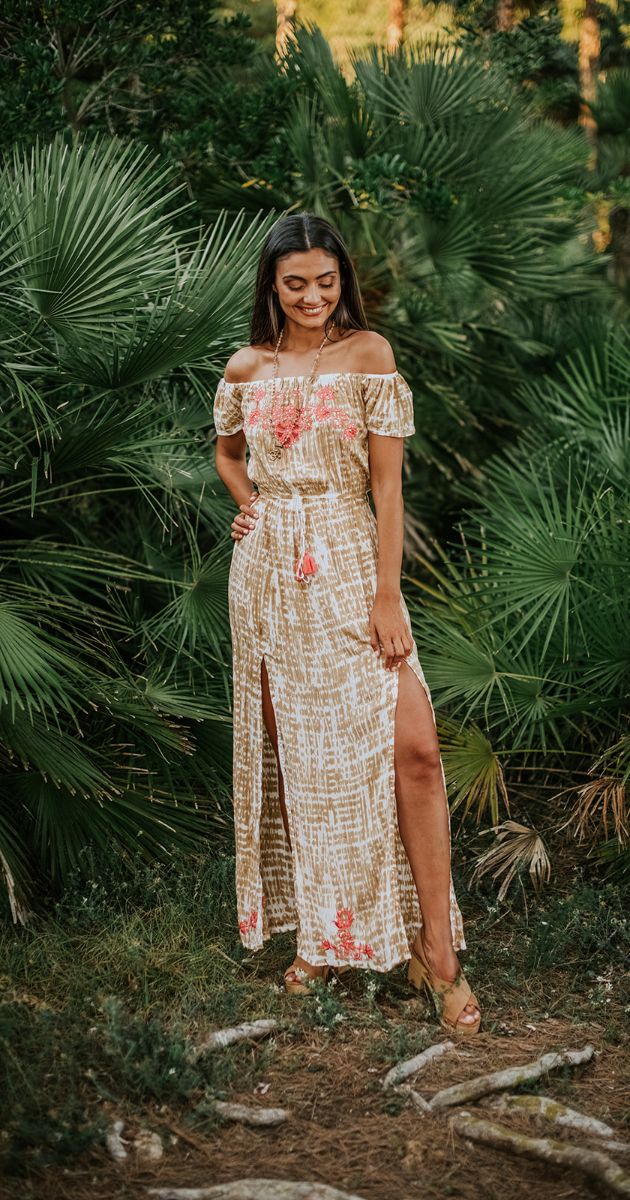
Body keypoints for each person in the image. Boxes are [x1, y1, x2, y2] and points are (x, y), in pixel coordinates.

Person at [213, 212, 481, 1035]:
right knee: (301, 761)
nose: (313, 297)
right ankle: (323, 940)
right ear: (272, 284)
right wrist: (252, 506)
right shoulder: (246, 366)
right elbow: (226, 453)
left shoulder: (369, 355)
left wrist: (388, 594)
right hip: (269, 580)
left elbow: (388, 488)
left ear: (343, 280)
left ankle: (438, 954)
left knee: (416, 749)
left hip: (353, 563)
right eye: (295, 283)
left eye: (325, 281)